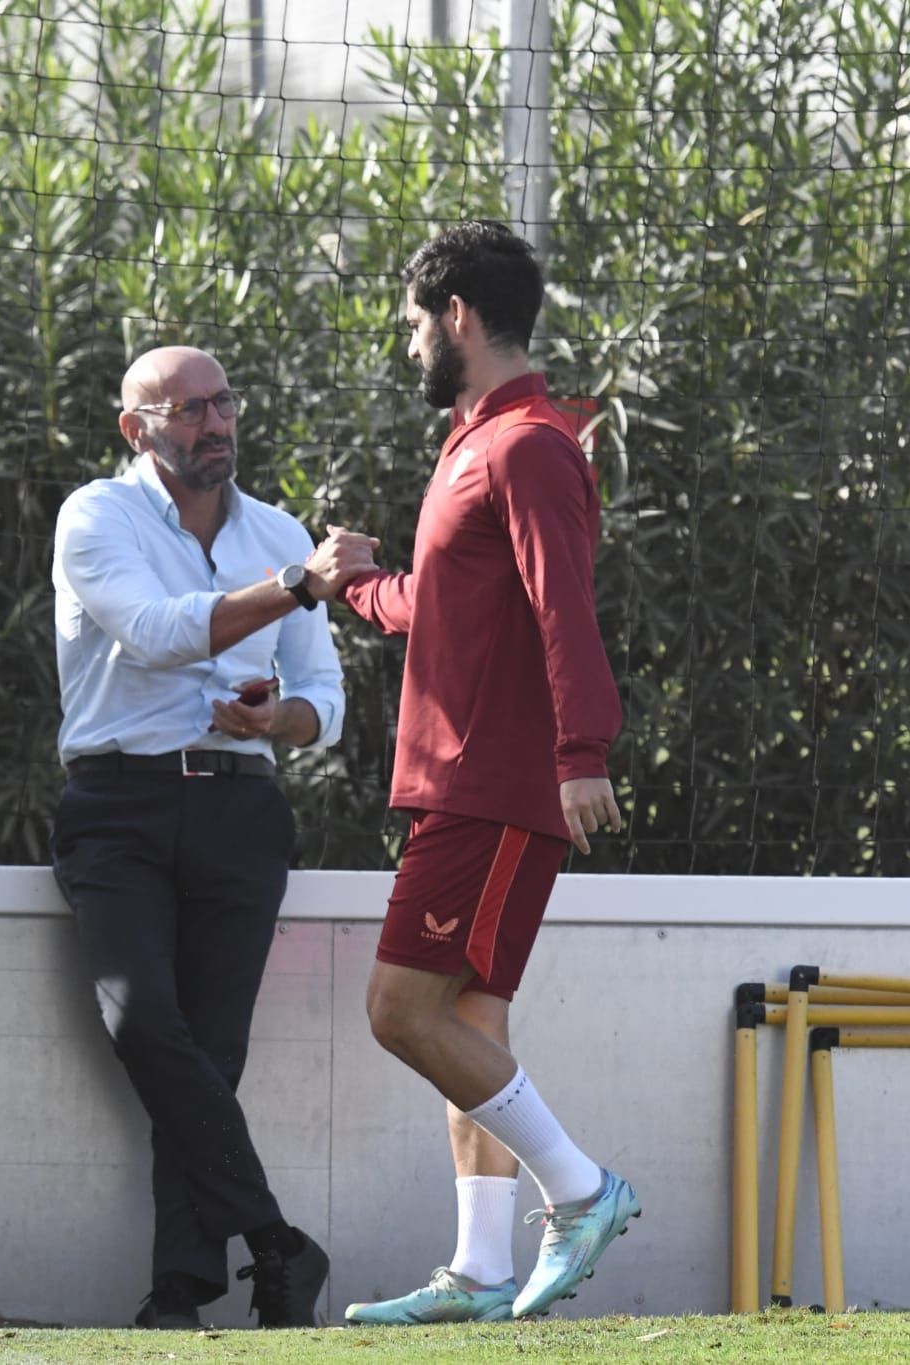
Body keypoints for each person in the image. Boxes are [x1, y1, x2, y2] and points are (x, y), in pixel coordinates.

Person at [324, 221, 636, 1325]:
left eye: (415, 325)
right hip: (457, 785)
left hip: (491, 790)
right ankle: (477, 1271)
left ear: (455, 316)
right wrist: (351, 586)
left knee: (397, 1011)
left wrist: (578, 753)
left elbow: (565, 608)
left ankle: (582, 1191)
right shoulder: (472, 444)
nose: (411, 346)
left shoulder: (529, 447)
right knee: (467, 1022)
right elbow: (433, 608)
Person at [49, 346, 371, 1330]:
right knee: (142, 1022)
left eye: (223, 401)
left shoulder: (275, 528)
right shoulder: (95, 516)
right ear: (134, 428)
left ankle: (180, 1290)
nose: (214, 423)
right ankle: (275, 1240)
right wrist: (295, 584)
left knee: (207, 1056)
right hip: (117, 806)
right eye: (186, 409)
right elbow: (152, 630)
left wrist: (276, 723)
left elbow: (326, 701)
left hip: (238, 809)